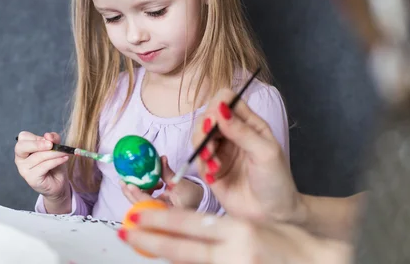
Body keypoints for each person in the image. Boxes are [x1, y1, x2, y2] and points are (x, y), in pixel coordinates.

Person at [14, 0, 289, 222]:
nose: (134, 35)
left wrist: (199, 201)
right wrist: (58, 195)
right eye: (112, 17)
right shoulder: (116, 95)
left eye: (155, 11)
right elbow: (85, 218)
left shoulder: (252, 107)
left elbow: (272, 233)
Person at [119, 87, 366, 263]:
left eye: (157, 11)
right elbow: (391, 217)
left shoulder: (260, 98)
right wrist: (291, 209)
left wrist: (307, 256)